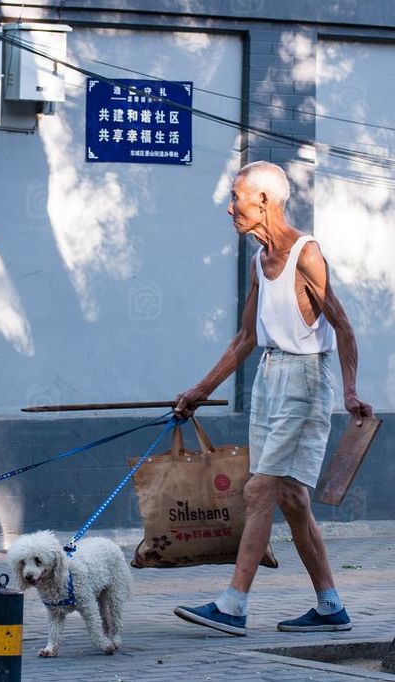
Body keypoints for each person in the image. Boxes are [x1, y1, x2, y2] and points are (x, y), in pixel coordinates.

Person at [172, 160, 373, 636]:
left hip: (306, 380)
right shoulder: (259, 262)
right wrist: (200, 391)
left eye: (236, 196)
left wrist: (348, 389)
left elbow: (342, 325)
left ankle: (233, 605)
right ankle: (330, 607)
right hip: (270, 376)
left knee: (260, 488)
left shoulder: (306, 254)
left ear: (263, 201)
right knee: (291, 497)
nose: (229, 207)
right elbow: (245, 338)